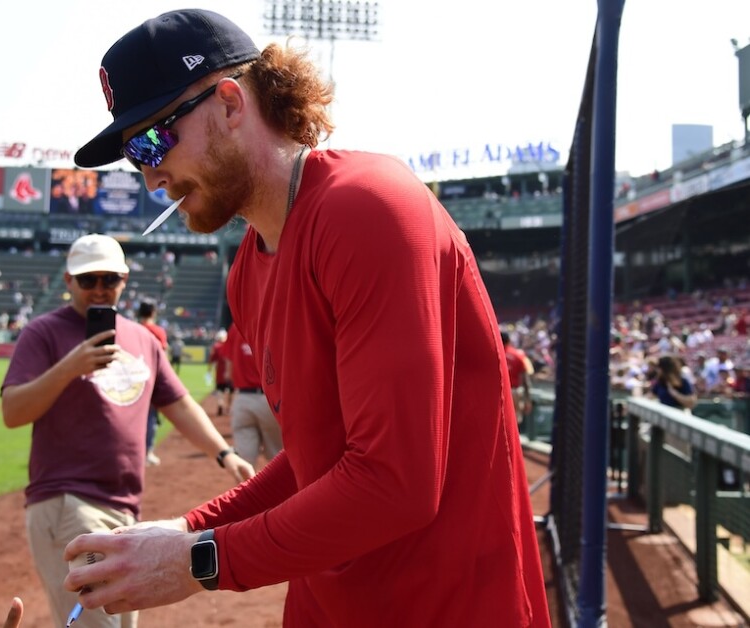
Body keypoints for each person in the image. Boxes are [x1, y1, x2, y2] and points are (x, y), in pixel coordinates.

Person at [63, 9, 550, 626]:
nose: (151, 176)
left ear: (230, 104)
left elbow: (394, 483)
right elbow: (316, 457)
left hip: (444, 606)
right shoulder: (246, 271)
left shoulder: (367, 207)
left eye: (152, 142)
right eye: (134, 158)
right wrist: (187, 530)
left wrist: (196, 560)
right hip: (328, 606)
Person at [0, 233, 253, 628]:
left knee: (121, 623)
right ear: (68, 281)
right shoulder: (44, 332)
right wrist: (69, 367)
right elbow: (13, 411)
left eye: (109, 279)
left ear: (125, 280)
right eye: (88, 279)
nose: (99, 288)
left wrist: (224, 453)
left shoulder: (141, 339)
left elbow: (178, 403)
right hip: (68, 502)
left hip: (124, 509)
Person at [226, 322, 282, 468]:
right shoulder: (273, 322)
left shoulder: (235, 327)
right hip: (270, 401)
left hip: (242, 399)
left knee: (245, 463)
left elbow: (228, 371)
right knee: (278, 460)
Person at [136, 300, 168, 466]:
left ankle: (134, 452)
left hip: (133, 379)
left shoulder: (133, 329)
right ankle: (147, 452)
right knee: (150, 418)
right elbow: (163, 358)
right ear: (153, 312)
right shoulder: (157, 331)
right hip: (152, 379)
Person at [502, 329, 534, 422]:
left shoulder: (492, 354)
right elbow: (526, 380)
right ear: (509, 341)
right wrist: (528, 399)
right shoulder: (519, 355)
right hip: (513, 393)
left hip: (495, 393)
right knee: (513, 422)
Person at [206, 328, 232, 415]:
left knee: (220, 390)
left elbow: (212, 359)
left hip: (219, 373)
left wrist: (209, 370)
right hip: (230, 372)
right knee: (231, 390)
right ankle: (229, 407)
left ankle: (220, 403)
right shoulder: (229, 346)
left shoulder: (216, 347)